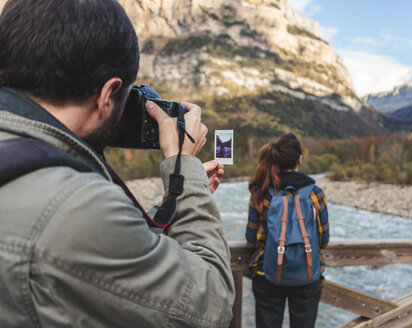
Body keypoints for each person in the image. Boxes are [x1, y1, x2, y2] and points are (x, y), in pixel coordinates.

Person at [0, 1, 234, 327]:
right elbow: (211, 302)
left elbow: (99, 242)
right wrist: (183, 166)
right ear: (108, 93)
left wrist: (180, 197)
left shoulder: (31, 169)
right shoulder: (74, 207)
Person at [246, 133, 330, 328]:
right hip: (307, 277)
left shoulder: (263, 191)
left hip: (266, 275)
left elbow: (251, 238)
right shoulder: (315, 193)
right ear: (300, 159)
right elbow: (323, 239)